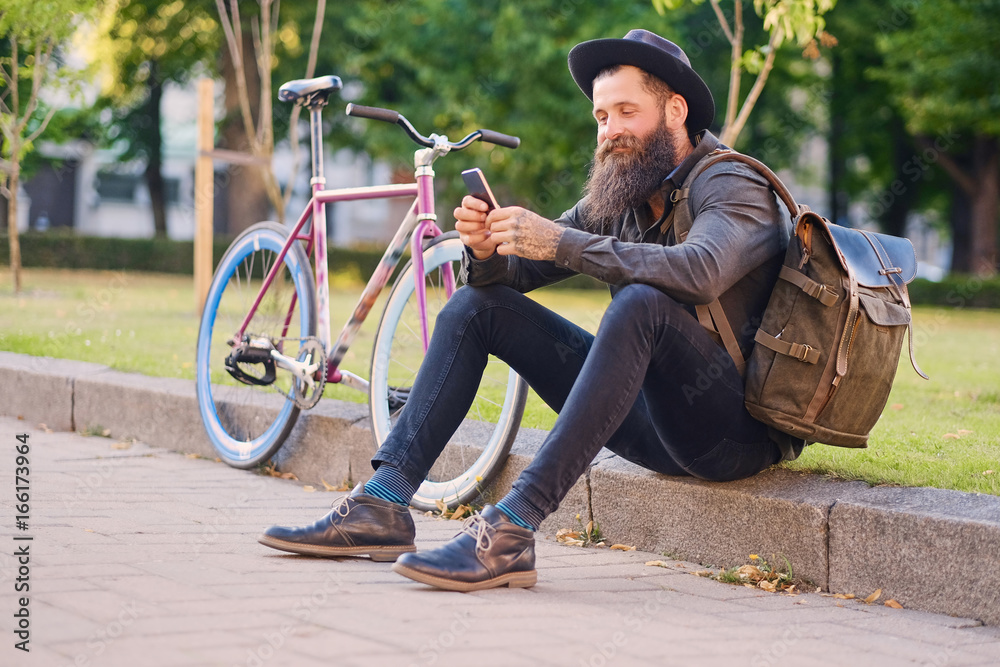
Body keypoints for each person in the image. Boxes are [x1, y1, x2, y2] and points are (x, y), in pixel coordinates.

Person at [259, 29, 801, 591]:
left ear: (674, 111)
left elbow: (700, 270)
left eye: (625, 111)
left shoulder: (735, 184)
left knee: (643, 304)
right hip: (649, 421)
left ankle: (512, 529)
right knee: (476, 306)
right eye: (599, 117)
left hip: (730, 434)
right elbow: (514, 279)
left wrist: (558, 241)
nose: (609, 130)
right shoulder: (621, 196)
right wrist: (486, 249)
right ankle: (382, 504)